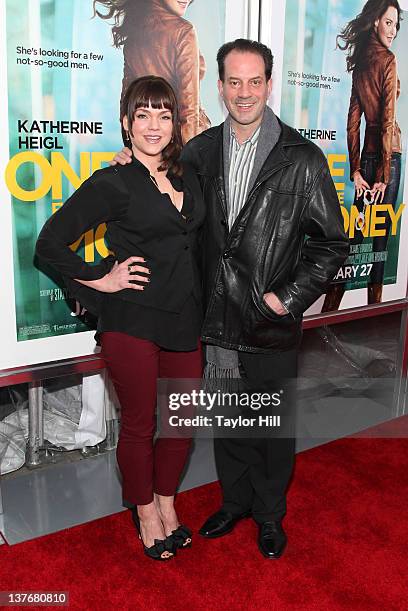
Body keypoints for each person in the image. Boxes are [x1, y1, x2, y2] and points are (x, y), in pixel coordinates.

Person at [113, 39, 349, 559]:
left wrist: (287, 297)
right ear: (219, 88)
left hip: (268, 318)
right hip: (215, 319)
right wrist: (131, 161)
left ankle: (268, 514)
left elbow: (332, 244)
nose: (244, 93)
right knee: (228, 422)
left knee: (269, 426)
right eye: (234, 82)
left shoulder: (302, 159)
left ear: (268, 85)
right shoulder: (196, 154)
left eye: (254, 81)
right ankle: (235, 501)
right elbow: (168, 208)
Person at [36, 76, 205, 561]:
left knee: (180, 424)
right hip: (131, 321)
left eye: (164, 115)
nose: (154, 126)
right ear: (127, 123)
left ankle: (168, 501)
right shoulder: (113, 180)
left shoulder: (189, 175)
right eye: (143, 115)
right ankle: (146, 511)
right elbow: (49, 241)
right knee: (138, 425)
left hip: (184, 318)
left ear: (176, 122)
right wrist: (99, 279)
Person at [322, 0, 403, 311]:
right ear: (375, 23)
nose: (393, 30)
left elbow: (352, 121)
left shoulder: (361, 62)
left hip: (366, 161)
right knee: (379, 246)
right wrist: (383, 174)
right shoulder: (388, 60)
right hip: (387, 159)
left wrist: (356, 170)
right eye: (388, 22)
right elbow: (385, 122)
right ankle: (376, 318)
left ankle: (328, 315)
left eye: (396, 24)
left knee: (354, 243)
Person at [93, 0, 210, 143]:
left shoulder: (135, 35)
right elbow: (189, 113)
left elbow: (126, 107)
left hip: (149, 147)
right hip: (180, 147)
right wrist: (193, 161)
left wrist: (133, 154)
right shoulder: (183, 31)